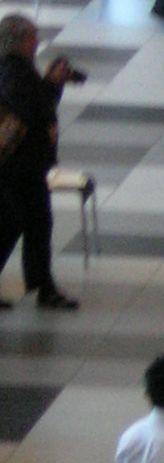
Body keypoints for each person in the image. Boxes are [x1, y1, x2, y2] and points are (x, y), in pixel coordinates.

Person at [0, 17, 79, 313]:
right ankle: (44, 288)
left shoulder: (19, 68)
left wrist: (51, 84)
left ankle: (44, 287)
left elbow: (41, 104)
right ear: (16, 39)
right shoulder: (11, 70)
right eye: (31, 37)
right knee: (14, 223)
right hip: (14, 165)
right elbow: (32, 109)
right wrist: (51, 83)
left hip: (26, 164)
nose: (36, 42)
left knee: (35, 224)